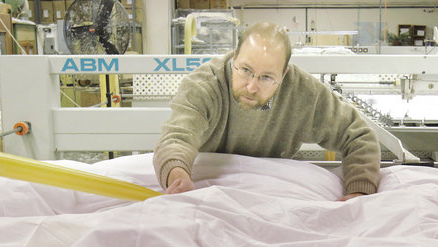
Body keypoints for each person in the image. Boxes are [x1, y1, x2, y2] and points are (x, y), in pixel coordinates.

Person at [153, 22, 381, 201]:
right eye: (245, 70)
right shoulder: (204, 86)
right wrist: (178, 175)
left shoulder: (303, 92)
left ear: (284, 75)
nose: (252, 86)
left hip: (270, 193)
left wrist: (360, 190)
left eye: (266, 77)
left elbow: (358, 135)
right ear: (234, 57)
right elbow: (177, 139)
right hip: (208, 185)